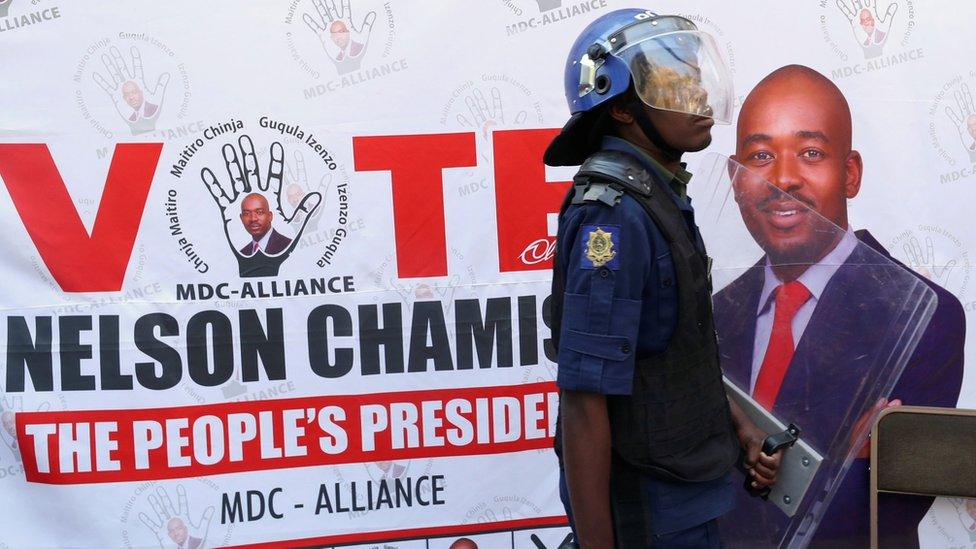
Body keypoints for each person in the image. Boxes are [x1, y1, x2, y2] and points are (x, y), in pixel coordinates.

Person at [545, 9, 781, 547]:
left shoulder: (657, 193)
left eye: (697, 80)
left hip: (688, 497)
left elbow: (668, 351)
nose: (698, 97)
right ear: (623, 109)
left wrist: (738, 427)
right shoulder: (614, 214)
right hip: (652, 517)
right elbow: (584, 399)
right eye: (675, 84)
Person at [712, 64, 965, 548]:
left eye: (811, 153)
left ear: (850, 173)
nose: (784, 178)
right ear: (734, 178)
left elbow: (891, 505)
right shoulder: (715, 315)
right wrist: (839, 459)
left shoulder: (925, 316)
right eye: (761, 156)